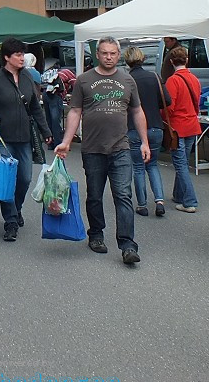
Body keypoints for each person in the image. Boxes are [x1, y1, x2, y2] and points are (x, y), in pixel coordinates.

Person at [55, 38, 149, 264]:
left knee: (123, 195)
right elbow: (75, 111)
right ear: (97, 54)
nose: (109, 57)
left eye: (113, 53)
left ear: (119, 55)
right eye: (105, 53)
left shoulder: (128, 80)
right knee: (95, 195)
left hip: (121, 148)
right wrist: (67, 141)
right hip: (92, 148)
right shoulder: (84, 80)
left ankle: (127, 245)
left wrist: (144, 141)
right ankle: (96, 234)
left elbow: (137, 111)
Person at [0, 37, 52, 242]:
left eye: (22, 54)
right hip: (2, 138)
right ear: (7, 57)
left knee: (25, 178)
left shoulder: (28, 77)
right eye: (18, 54)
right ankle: (10, 221)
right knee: (6, 180)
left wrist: (46, 132)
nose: (22, 58)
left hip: (24, 137)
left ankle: (16, 208)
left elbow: (36, 107)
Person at [122, 46, 169, 218]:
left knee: (139, 167)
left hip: (133, 128)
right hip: (156, 127)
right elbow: (167, 100)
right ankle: (159, 201)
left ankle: (142, 205)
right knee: (153, 165)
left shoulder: (126, 80)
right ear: (142, 58)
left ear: (127, 61)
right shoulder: (154, 77)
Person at [165, 45, 201, 213]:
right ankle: (178, 195)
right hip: (192, 125)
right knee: (184, 162)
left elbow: (169, 107)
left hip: (178, 128)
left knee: (180, 165)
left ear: (171, 61)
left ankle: (189, 201)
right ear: (187, 60)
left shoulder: (173, 80)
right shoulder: (194, 79)